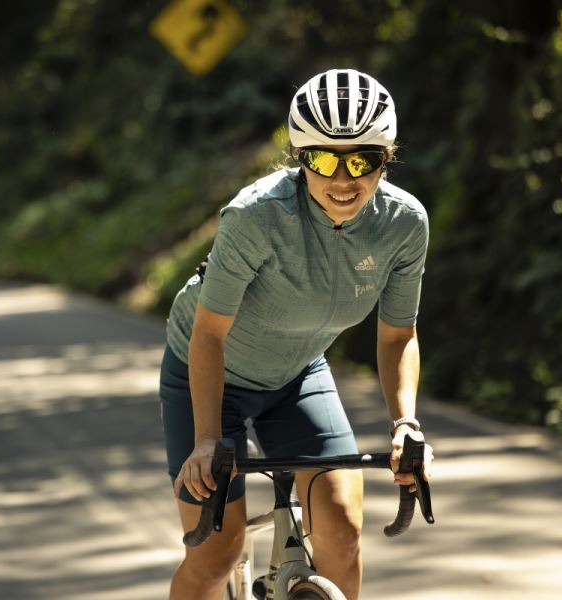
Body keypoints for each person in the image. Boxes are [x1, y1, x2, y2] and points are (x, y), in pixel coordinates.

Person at [159, 68, 434, 600]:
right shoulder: (256, 216)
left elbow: (398, 334)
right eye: (324, 159)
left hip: (296, 374)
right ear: (300, 158)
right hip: (212, 372)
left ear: (387, 157)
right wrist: (208, 438)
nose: (343, 179)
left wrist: (406, 422)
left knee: (344, 536)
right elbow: (209, 335)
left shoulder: (404, 224)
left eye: (362, 159)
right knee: (216, 551)